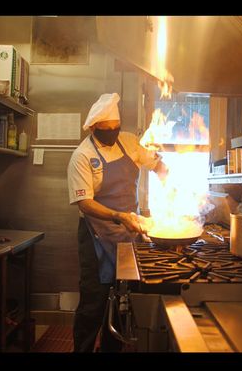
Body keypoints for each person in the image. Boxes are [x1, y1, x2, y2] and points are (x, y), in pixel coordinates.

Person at [67, 93, 168, 352]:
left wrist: (166, 178)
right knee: (94, 302)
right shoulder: (82, 155)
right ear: (93, 128)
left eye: (116, 128)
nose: (113, 133)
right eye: (106, 130)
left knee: (124, 302)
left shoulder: (130, 143)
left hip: (128, 235)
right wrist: (117, 216)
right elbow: (84, 203)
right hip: (96, 237)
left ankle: (111, 351)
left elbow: (156, 164)